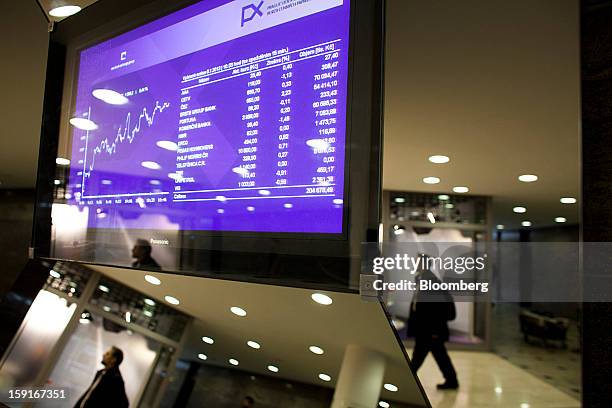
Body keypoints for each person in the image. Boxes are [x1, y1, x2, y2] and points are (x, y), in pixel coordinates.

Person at [407, 258, 459, 390]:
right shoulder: (422, 279)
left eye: (417, 262)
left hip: (430, 330)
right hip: (427, 329)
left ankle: (407, 380)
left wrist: (435, 331)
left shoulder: (430, 281)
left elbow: (436, 310)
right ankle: (451, 380)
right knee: (437, 355)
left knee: (420, 357)